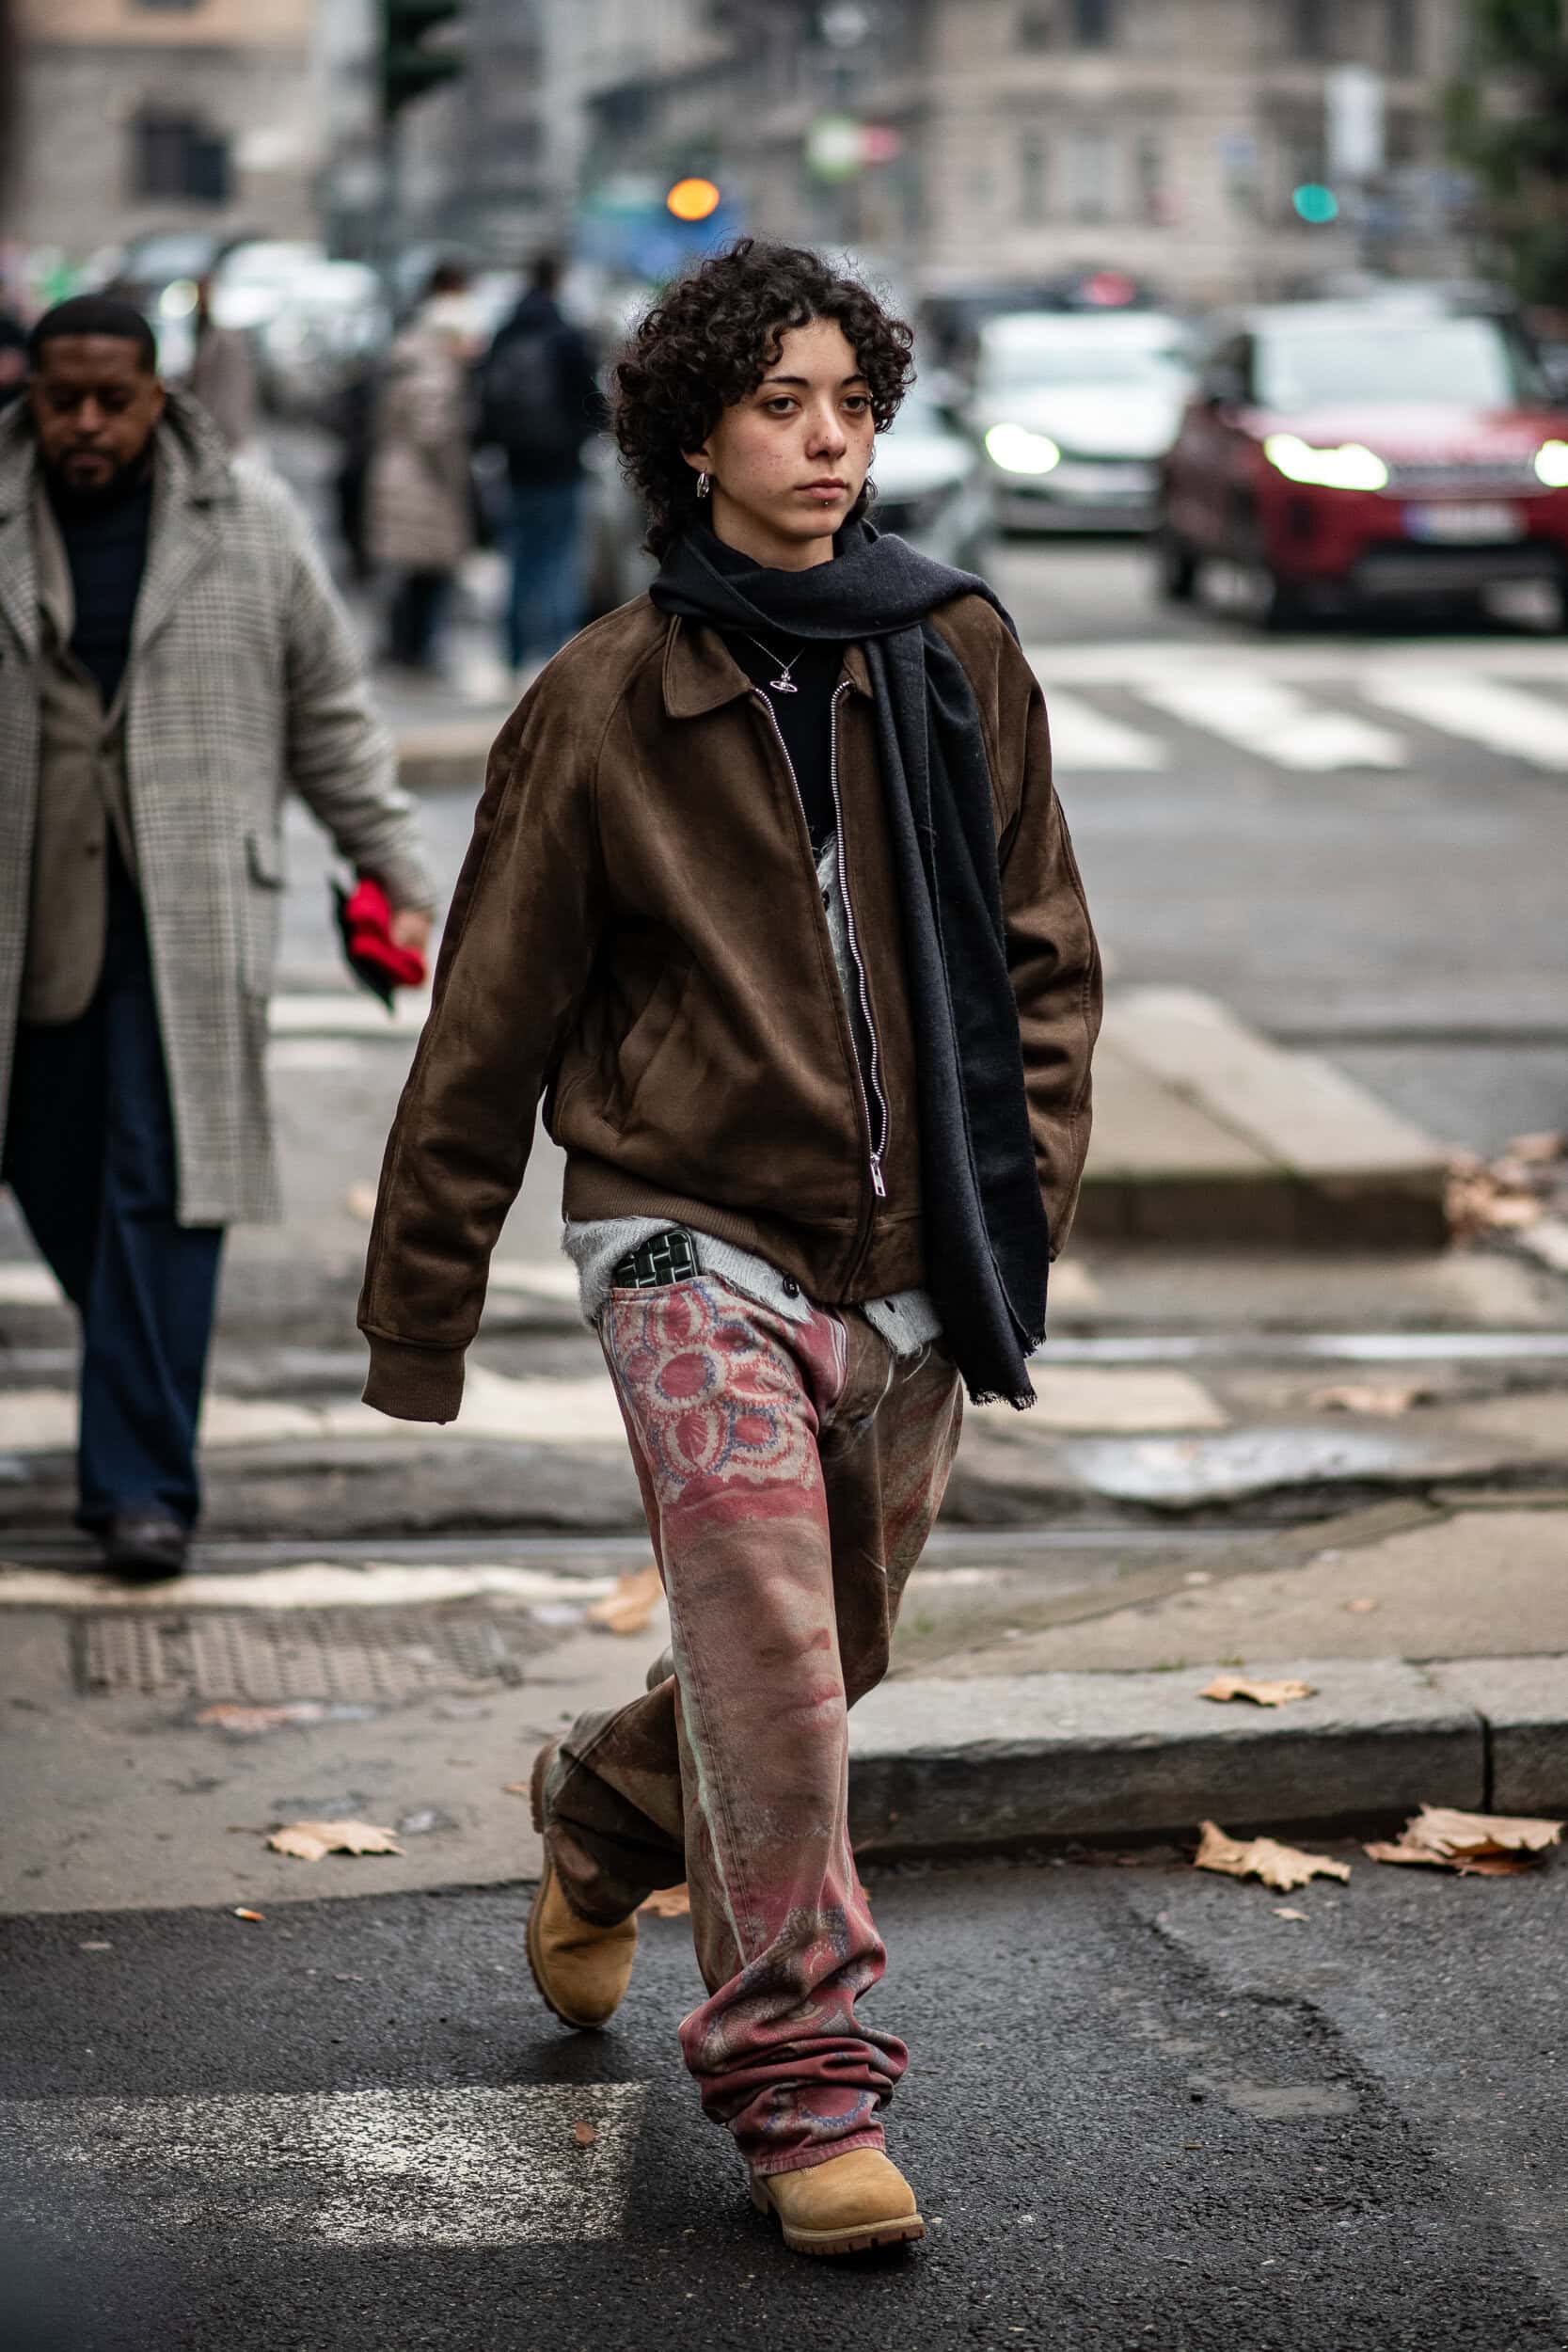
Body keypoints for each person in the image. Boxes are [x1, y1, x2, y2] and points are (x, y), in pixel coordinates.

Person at [356, 241, 1101, 2254]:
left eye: (852, 403)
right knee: (766, 1652)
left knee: (821, 1648)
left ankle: (601, 1810)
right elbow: (486, 1020)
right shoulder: (597, 702)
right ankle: (799, 2081)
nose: (826, 441)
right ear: (692, 437)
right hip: (686, 1237)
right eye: (782, 404)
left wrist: (1010, 1195)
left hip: (912, 1252)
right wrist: (418, 1305)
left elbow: (1043, 959)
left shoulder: (950, 649)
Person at [0, 294, 436, 1579]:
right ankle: (132, 1378)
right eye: (60, 397)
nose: (84, 423)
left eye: (110, 399)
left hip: (189, 917)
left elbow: (330, 714)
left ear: (157, 395)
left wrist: (392, 865)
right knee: (50, 1168)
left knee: (164, 1189)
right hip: (26, 924)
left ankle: (142, 1488)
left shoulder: (247, 520)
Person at [477, 252, 603, 682]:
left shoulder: (506, 333)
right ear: (559, 279)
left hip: (515, 465)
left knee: (519, 559)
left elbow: (484, 400)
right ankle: (555, 657)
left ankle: (512, 653)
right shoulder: (565, 335)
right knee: (559, 558)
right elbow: (590, 401)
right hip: (560, 464)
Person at [367, 261, 478, 674]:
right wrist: (457, 475)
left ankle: (404, 647)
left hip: (398, 475)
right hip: (425, 484)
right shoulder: (436, 367)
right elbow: (433, 430)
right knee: (429, 576)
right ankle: (418, 651)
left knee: (411, 576)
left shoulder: (406, 353)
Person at [184, 273, 258, 454]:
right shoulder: (201, 326)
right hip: (207, 424)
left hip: (224, 428)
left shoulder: (227, 338)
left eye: (204, 292)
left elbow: (234, 388)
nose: (200, 299)